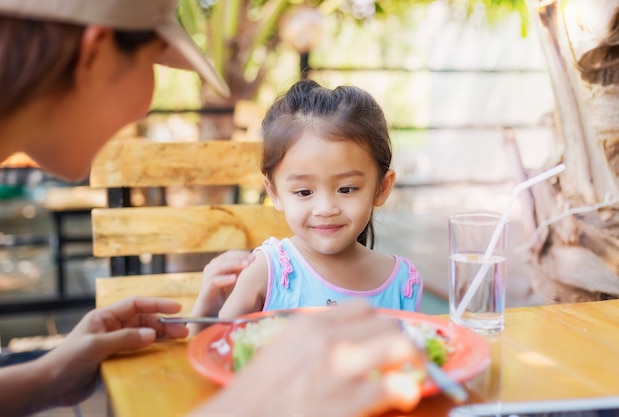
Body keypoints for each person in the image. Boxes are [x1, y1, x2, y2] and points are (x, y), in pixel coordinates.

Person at [0, 1, 423, 416]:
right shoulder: (275, 265)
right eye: (153, 62)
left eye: (346, 188)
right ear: (94, 56)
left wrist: (52, 375)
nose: (148, 100)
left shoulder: (399, 276)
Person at [192, 80, 424, 321]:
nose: (325, 209)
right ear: (275, 193)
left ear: (382, 188)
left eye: (346, 189)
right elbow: (217, 348)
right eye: (304, 192)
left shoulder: (401, 283)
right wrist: (205, 309)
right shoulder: (267, 271)